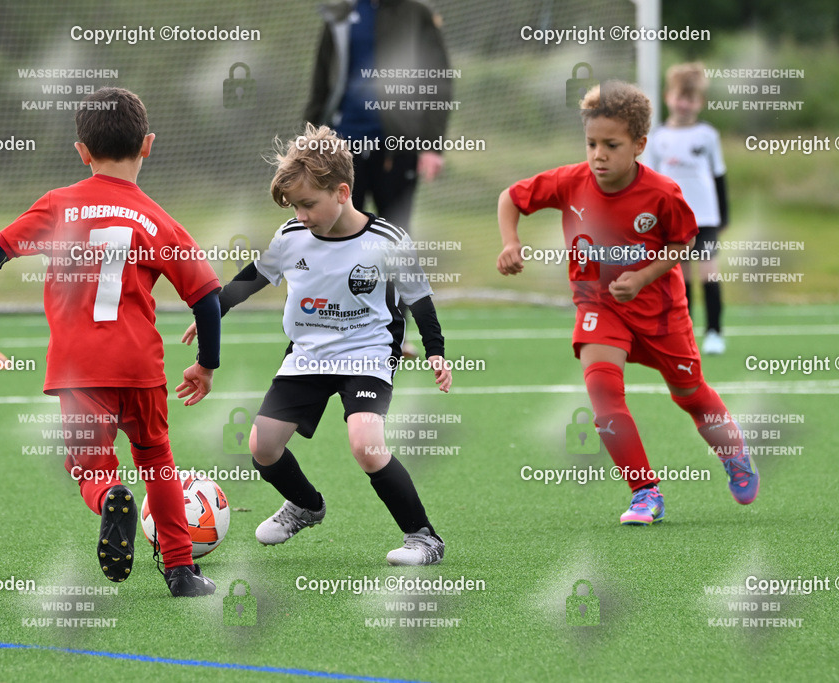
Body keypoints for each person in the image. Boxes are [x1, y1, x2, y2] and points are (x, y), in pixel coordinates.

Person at [0, 87, 221, 596]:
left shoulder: (58, 205)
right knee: (157, 459)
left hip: (78, 368)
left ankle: (110, 496)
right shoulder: (159, 219)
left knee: (89, 465)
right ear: (147, 145)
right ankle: (181, 571)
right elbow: (208, 297)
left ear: (82, 151)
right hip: (141, 367)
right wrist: (206, 363)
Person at [183, 123, 451, 564]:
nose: (301, 214)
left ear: (342, 192)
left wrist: (436, 350)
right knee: (262, 446)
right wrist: (214, 309)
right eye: (294, 205)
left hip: (367, 354)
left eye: (308, 204)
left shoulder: (387, 240)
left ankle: (423, 538)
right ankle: (306, 505)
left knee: (366, 443)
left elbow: (418, 298)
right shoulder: (292, 236)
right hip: (307, 355)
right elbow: (254, 277)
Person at [495, 81, 759, 525]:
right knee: (602, 394)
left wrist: (642, 276)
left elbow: (683, 243)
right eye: (591, 143)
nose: (598, 154)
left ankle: (733, 453)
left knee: (691, 394)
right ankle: (644, 492)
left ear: (639, 145)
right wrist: (510, 242)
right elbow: (511, 198)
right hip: (599, 308)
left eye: (611, 145)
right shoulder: (569, 181)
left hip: (660, 313)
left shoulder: (662, 193)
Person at [303, 0, 453, 236]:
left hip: (397, 147)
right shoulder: (340, 12)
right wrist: (308, 140)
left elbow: (438, 80)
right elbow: (321, 82)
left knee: (396, 236)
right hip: (341, 146)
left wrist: (431, 145)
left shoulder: (416, 13)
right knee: (339, 235)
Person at [647, 63, 730, 355]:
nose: (685, 104)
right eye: (680, 97)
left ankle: (715, 333)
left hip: (704, 218)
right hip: (672, 221)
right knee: (679, 279)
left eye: (691, 99)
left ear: (700, 102)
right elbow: (651, 183)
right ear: (668, 97)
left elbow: (719, 176)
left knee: (708, 274)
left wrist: (723, 214)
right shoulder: (657, 138)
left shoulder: (707, 135)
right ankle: (685, 335)